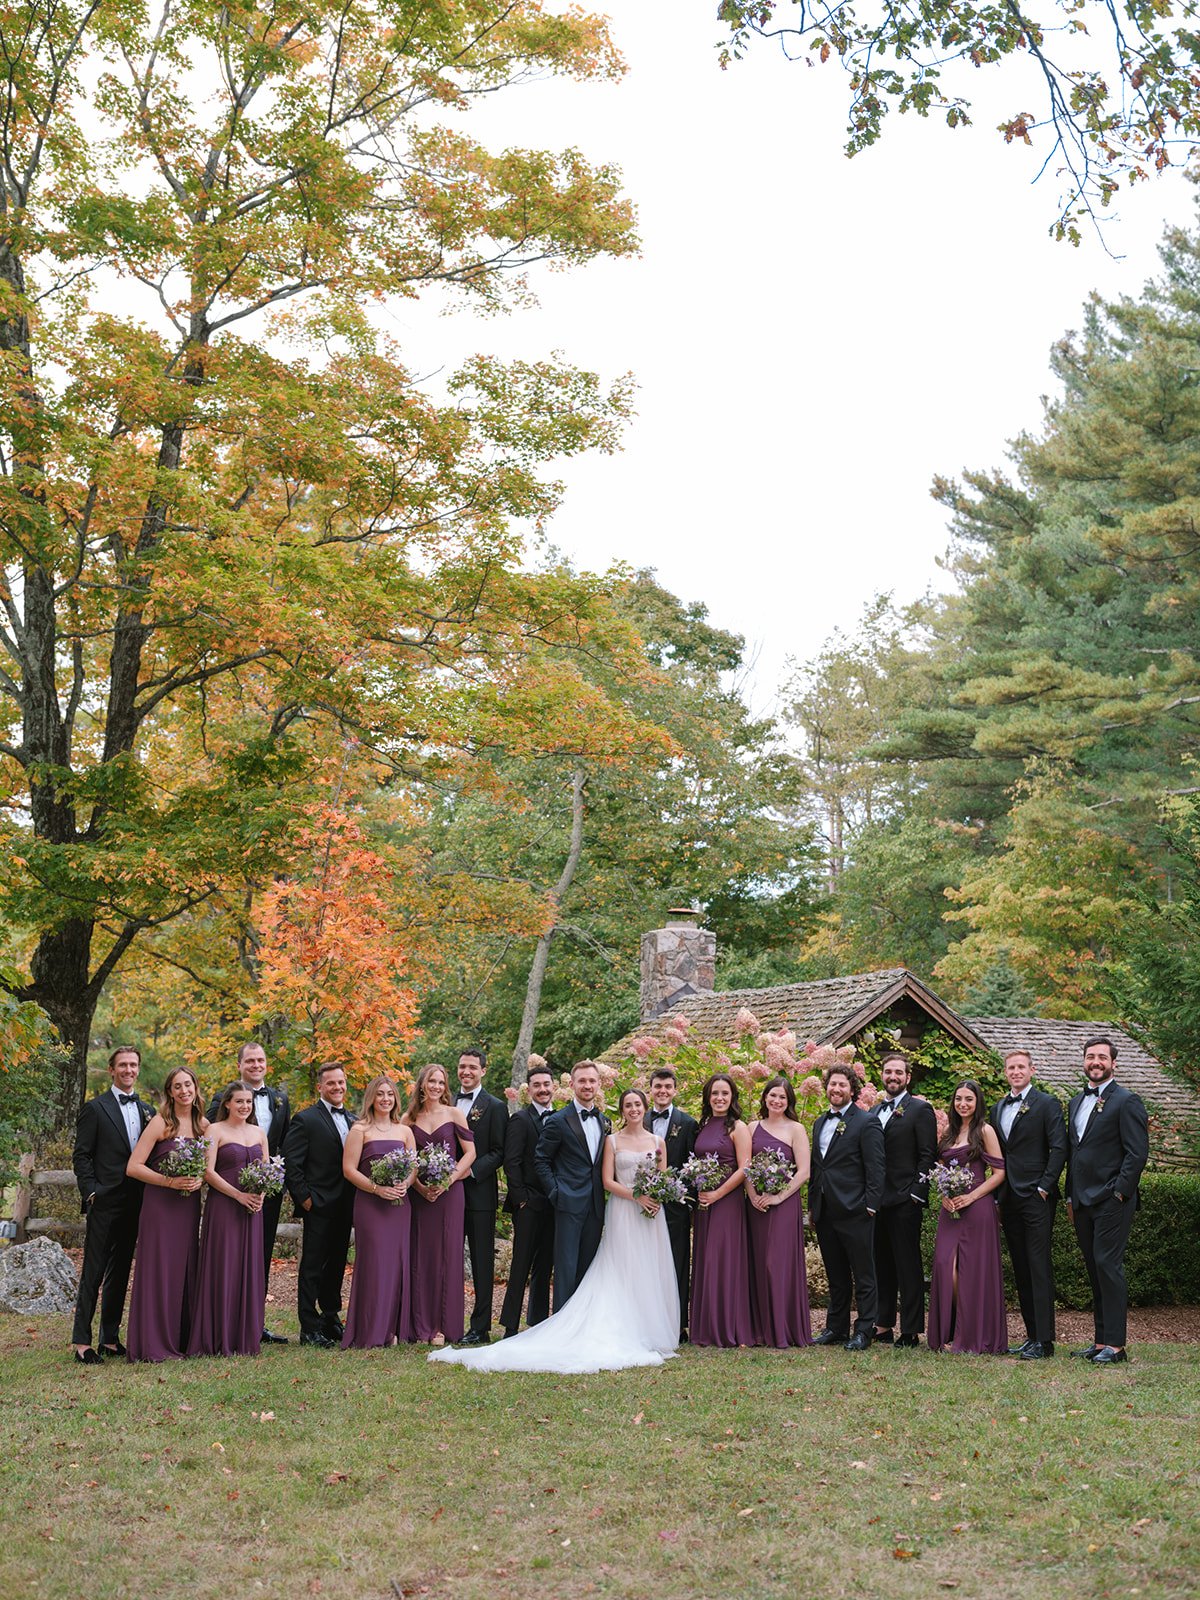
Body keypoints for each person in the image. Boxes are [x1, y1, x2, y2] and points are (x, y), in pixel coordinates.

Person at [430, 1087, 678, 1373]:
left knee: (645, 1267)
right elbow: (555, 1164)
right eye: (628, 1105)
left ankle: (646, 1326)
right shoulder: (605, 1136)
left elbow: (662, 1176)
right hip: (612, 1208)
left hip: (639, 1212)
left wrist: (657, 1195)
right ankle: (560, 1324)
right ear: (621, 1110)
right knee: (585, 1267)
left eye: (637, 1104)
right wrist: (555, 1193)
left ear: (644, 1107)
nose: (633, 1109)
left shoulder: (648, 1138)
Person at [1066, 1037, 1149, 1365]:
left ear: (1114, 1063)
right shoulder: (1075, 1101)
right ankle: (1100, 1341)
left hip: (1112, 1199)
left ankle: (1116, 1346)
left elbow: (1136, 1152)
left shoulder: (1127, 1101)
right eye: (1090, 1056)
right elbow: (1077, 1153)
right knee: (1094, 1268)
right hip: (1083, 1200)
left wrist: (1120, 1193)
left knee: (1108, 1265)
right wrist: (1071, 1196)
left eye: (1102, 1057)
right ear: (1084, 1061)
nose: (1095, 1061)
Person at [70, 1045, 152, 1364]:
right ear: (111, 1069)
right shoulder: (96, 1108)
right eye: (123, 1065)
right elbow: (82, 1155)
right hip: (104, 1201)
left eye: (133, 1065)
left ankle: (110, 1338)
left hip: (136, 1202)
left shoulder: (147, 1111)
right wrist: (91, 1192)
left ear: (138, 1069)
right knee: (94, 1270)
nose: (129, 1070)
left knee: (120, 1273)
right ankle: (81, 1342)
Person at [208, 1040, 290, 1344]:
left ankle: (254, 1324)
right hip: (229, 1194)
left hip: (264, 1193)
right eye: (250, 1061)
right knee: (227, 1258)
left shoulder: (280, 1099)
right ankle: (222, 1322)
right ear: (240, 1065)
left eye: (261, 1060)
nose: (256, 1065)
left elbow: (284, 1144)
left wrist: (270, 1184)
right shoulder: (221, 1101)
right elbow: (209, 1143)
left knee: (260, 1257)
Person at [125, 1065, 208, 1362]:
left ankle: (183, 1340)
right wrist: (169, 1181)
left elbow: (208, 1168)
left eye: (189, 1084)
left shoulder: (204, 1125)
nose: (184, 1091)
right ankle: (154, 1344)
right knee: (160, 1269)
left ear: (196, 1088)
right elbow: (133, 1166)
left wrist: (200, 1178)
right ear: (169, 1092)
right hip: (160, 1206)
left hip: (187, 1206)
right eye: (178, 1086)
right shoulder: (161, 1123)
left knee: (185, 1268)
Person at [989, 1048, 1067, 1361]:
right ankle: (1031, 1336)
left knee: (1038, 1267)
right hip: (1008, 1198)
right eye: (1011, 1067)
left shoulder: (1047, 1104)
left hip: (1036, 1198)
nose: (1016, 1071)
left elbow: (1059, 1148)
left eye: (1021, 1066)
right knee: (1020, 1267)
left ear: (1031, 1070)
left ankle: (1045, 1342)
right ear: (1005, 1072)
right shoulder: (996, 1109)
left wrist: (1045, 1188)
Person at [186, 1084, 269, 1358]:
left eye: (249, 1101)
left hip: (252, 1209)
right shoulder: (215, 1130)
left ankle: (244, 1334)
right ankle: (217, 1335)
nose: (245, 1106)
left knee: (249, 1266)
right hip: (224, 1206)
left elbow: (266, 1170)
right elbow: (207, 1173)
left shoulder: (258, 1133)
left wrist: (260, 1196)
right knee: (224, 1265)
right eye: (239, 1101)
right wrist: (238, 1195)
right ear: (227, 1104)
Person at [927, 1079, 1008, 1355]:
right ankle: (954, 1331)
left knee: (973, 1271)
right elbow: (940, 1171)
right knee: (945, 1267)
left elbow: (999, 1173)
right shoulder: (948, 1132)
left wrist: (971, 1197)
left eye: (969, 1099)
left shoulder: (985, 1130)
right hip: (950, 1210)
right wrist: (944, 1195)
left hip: (977, 1208)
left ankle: (970, 1335)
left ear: (977, 1103)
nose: (963, 1104)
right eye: (959, 1099)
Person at [809, 1065, 883, 1351]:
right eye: (832, 1084)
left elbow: (876, 1168)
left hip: (856, 1211)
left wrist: (871, 1207)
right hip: (826, 1211)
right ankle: (836, 1327)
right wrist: (813, 1207)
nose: (836, 1089)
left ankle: (865, 1330)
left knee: (864, 1274)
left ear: (852, 1089)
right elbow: (819, 1168)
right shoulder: (818, 1122)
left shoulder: (866, 1122)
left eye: (842, 1085)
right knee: (836, 1274)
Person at [282, 1061, 356, 1348]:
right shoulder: (305, 1119)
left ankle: (330, 1317)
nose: (337, 1087)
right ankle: (308, 1327)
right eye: (331, 1083)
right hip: (319, 1205)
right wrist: (306, 1199)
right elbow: (292, 1164)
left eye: (341, 1082)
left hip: (347, 1205)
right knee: (312, 1266)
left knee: (337, 1264)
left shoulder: (353, 1119)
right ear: (320, 1087)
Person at [340, 1075, 417, 1350]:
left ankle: (393, 1330)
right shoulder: (360, 1129)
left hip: (399, 1206)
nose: (385, 1099)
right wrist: (376, 1189)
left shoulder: (404, 1130)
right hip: (370, 1205)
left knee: (396, 1265)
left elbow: (413, 1167)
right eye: (380, 1094)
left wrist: (404, 1185)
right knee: (374, 1265)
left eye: (390, 1094)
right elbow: (349, 1170)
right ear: (371, 1098)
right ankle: (370, 1329)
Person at [404, 1064, 476, 1345]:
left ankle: (445, 1326)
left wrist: (449, 1180)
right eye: (431, 1081)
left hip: (450, 1194)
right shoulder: (408, 1119)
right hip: (420, 1196)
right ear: (422, 1084)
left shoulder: (454, 1113)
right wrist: (420, 1187)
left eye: (441, 1082)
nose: (436, 1086)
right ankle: (420, 1325)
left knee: (448, 1256)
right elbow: (405, 1159)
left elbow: (470, 1153)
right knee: (421, 1256)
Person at [871, 1051, 938, 1350]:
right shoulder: (873, 1112)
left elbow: (927, 1154)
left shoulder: (919, 1110)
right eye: (888, 1072)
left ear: (908, 1077)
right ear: (882, 1076)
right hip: (877, 1201)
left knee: (907, 1265)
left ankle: (910, 1329)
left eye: (898, 1072)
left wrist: (916, 1194)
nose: (893, 1077)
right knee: (881, 1264)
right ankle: (883, 1325)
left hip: (904, 1201)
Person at [534, 1061, 611, 1310]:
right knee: (565, 1267)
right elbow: (541, 1160)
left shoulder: (604, 1121)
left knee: (588, 1267)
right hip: (568, 1202)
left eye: (592, 1081)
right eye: (582, 1081)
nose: (587, 1085)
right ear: (572, 1084)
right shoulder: (557, 1121)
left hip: (596, 1204)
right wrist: (556, 1192)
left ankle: (582, 1322)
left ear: (598, 1084)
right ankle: (561, 1323)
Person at [745, 1074, 812, 1348]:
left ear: (789, 1101)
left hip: (784, 1205)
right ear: (765, 1097)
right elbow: (745, 1166)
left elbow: (804, 1171)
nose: (776, 1100)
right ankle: (760, 1330)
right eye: (772, 1095)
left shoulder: (796, 1129)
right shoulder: (750, 1127)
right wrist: (753, 1196)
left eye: (782, 1097)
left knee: (777, 1264)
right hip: (756, 1206)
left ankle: (783, 1329)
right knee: (758, 1262)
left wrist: (777, 1197)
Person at [688, 1072, 754, 1348]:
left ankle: (727, 1326)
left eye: (725, 1093)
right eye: (715, 1093)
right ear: (708, 1097)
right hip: (704, 1203)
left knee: (723, 1259)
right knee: (706, 1259)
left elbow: (745, 1167)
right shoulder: (702, 1125)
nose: (719, 1098)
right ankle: (705, 1327)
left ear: (732, 1097)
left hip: (727, 1202)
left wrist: (717, 1193)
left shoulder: (738, 1127)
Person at [499, 1064, 557, 1338]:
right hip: (528, 1204)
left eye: (546, 1084)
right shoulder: (520, 1120)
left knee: (545, 1265)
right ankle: (510, 1326)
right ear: (529, 1090)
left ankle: (538, 1322)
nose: (543, 1089)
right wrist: (521, 1198)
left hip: (554, 1204)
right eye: (537, 1085)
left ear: (553, 1086)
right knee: (521, 1264)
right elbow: (511, 1161)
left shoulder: (560, 1118)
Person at [454, 1047, 507, 1345]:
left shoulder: (495, 1107)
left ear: (483, 1070)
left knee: (482, 1263)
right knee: (445, 1259)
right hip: (444, 1195)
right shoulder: (444, 1103)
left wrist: (470, 1172)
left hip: (479, 1195)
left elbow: (499, 1151)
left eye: (473, 1067)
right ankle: (444, 1321)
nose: (467, 1072)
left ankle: (480, 1326)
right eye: (462, 1067)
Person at [647, 1066, 698, 1340]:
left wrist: (686, 1202)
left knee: (677, 1264)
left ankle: (678, 1325)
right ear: (651, 1089)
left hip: (676, 1208)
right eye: (658, 1086)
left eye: (668, 1087)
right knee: (648, 1263)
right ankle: (647, 1319)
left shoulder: (688, 1123)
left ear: (675, 1090)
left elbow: (692, 1166)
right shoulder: (639, 1120)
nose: (663, 1091)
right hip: (643, 1207)